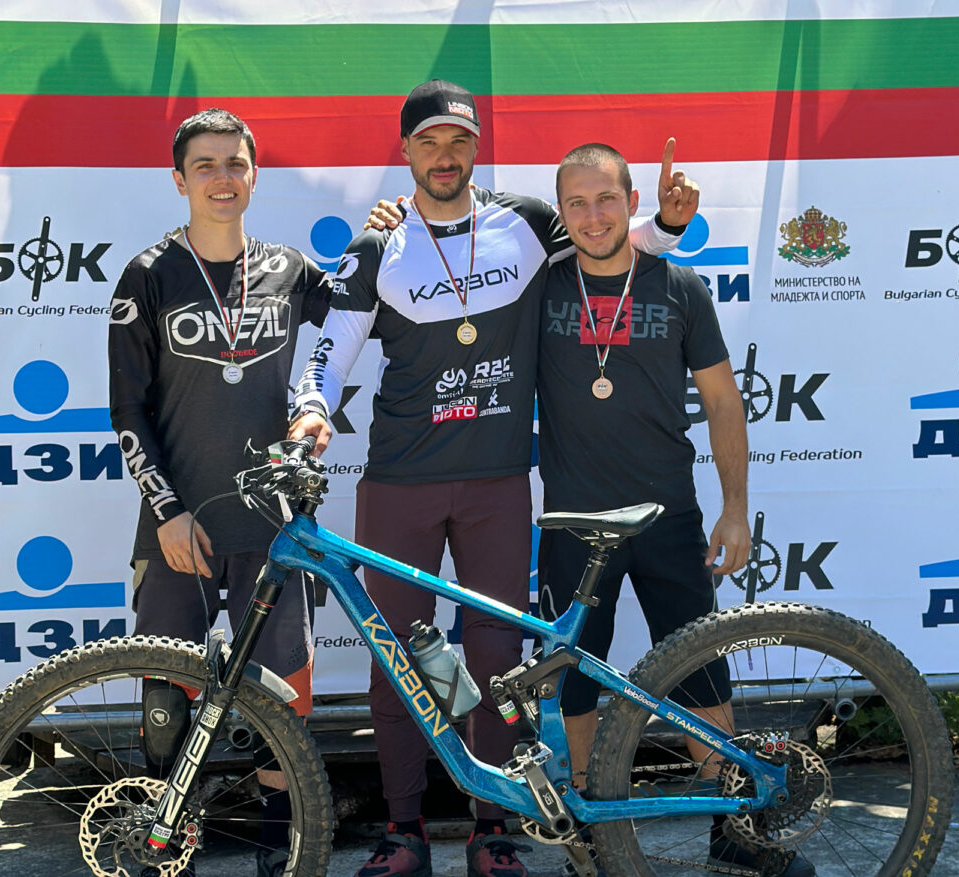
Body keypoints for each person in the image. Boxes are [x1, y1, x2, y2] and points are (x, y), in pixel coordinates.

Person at [289, 79, 698, 877]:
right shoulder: (377, 246)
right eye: (429, 143)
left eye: (459, 141)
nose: (445, 157)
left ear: (476, 147)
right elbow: (330, 350)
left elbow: (618, 243)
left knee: (498, 664)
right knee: (394, 664)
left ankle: (493, 829)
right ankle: (403, 830)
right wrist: (310, 411)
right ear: (406, 151)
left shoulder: (528, 221)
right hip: (400, 482)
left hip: (499, 483)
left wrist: (670, 224)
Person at [535, 143, 813, 876]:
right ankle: (589, 829)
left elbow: (723, 402)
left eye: (607, 199)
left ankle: (733, 827)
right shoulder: (541, 284)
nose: (594, 216)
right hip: (573, 524)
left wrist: (736, 509)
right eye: (577, 203)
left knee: (700, 670)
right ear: (561, 213)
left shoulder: (680, 286)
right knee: (575, 673)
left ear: (632, 203)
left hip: (669, 516)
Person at [108, 108, 330, 877]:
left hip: (274, 529)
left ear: (255, 174)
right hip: (180, 530)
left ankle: (281, 853)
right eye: (204, 165)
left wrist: (315, 397)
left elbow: (350, 330)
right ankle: (170, 853)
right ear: (179, 179)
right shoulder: (147, 275)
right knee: (167, 710)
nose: (222, 178)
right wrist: (166, 510)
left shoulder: (293, 270)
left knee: (282, 706)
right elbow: (128, 411)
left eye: (235, 163)